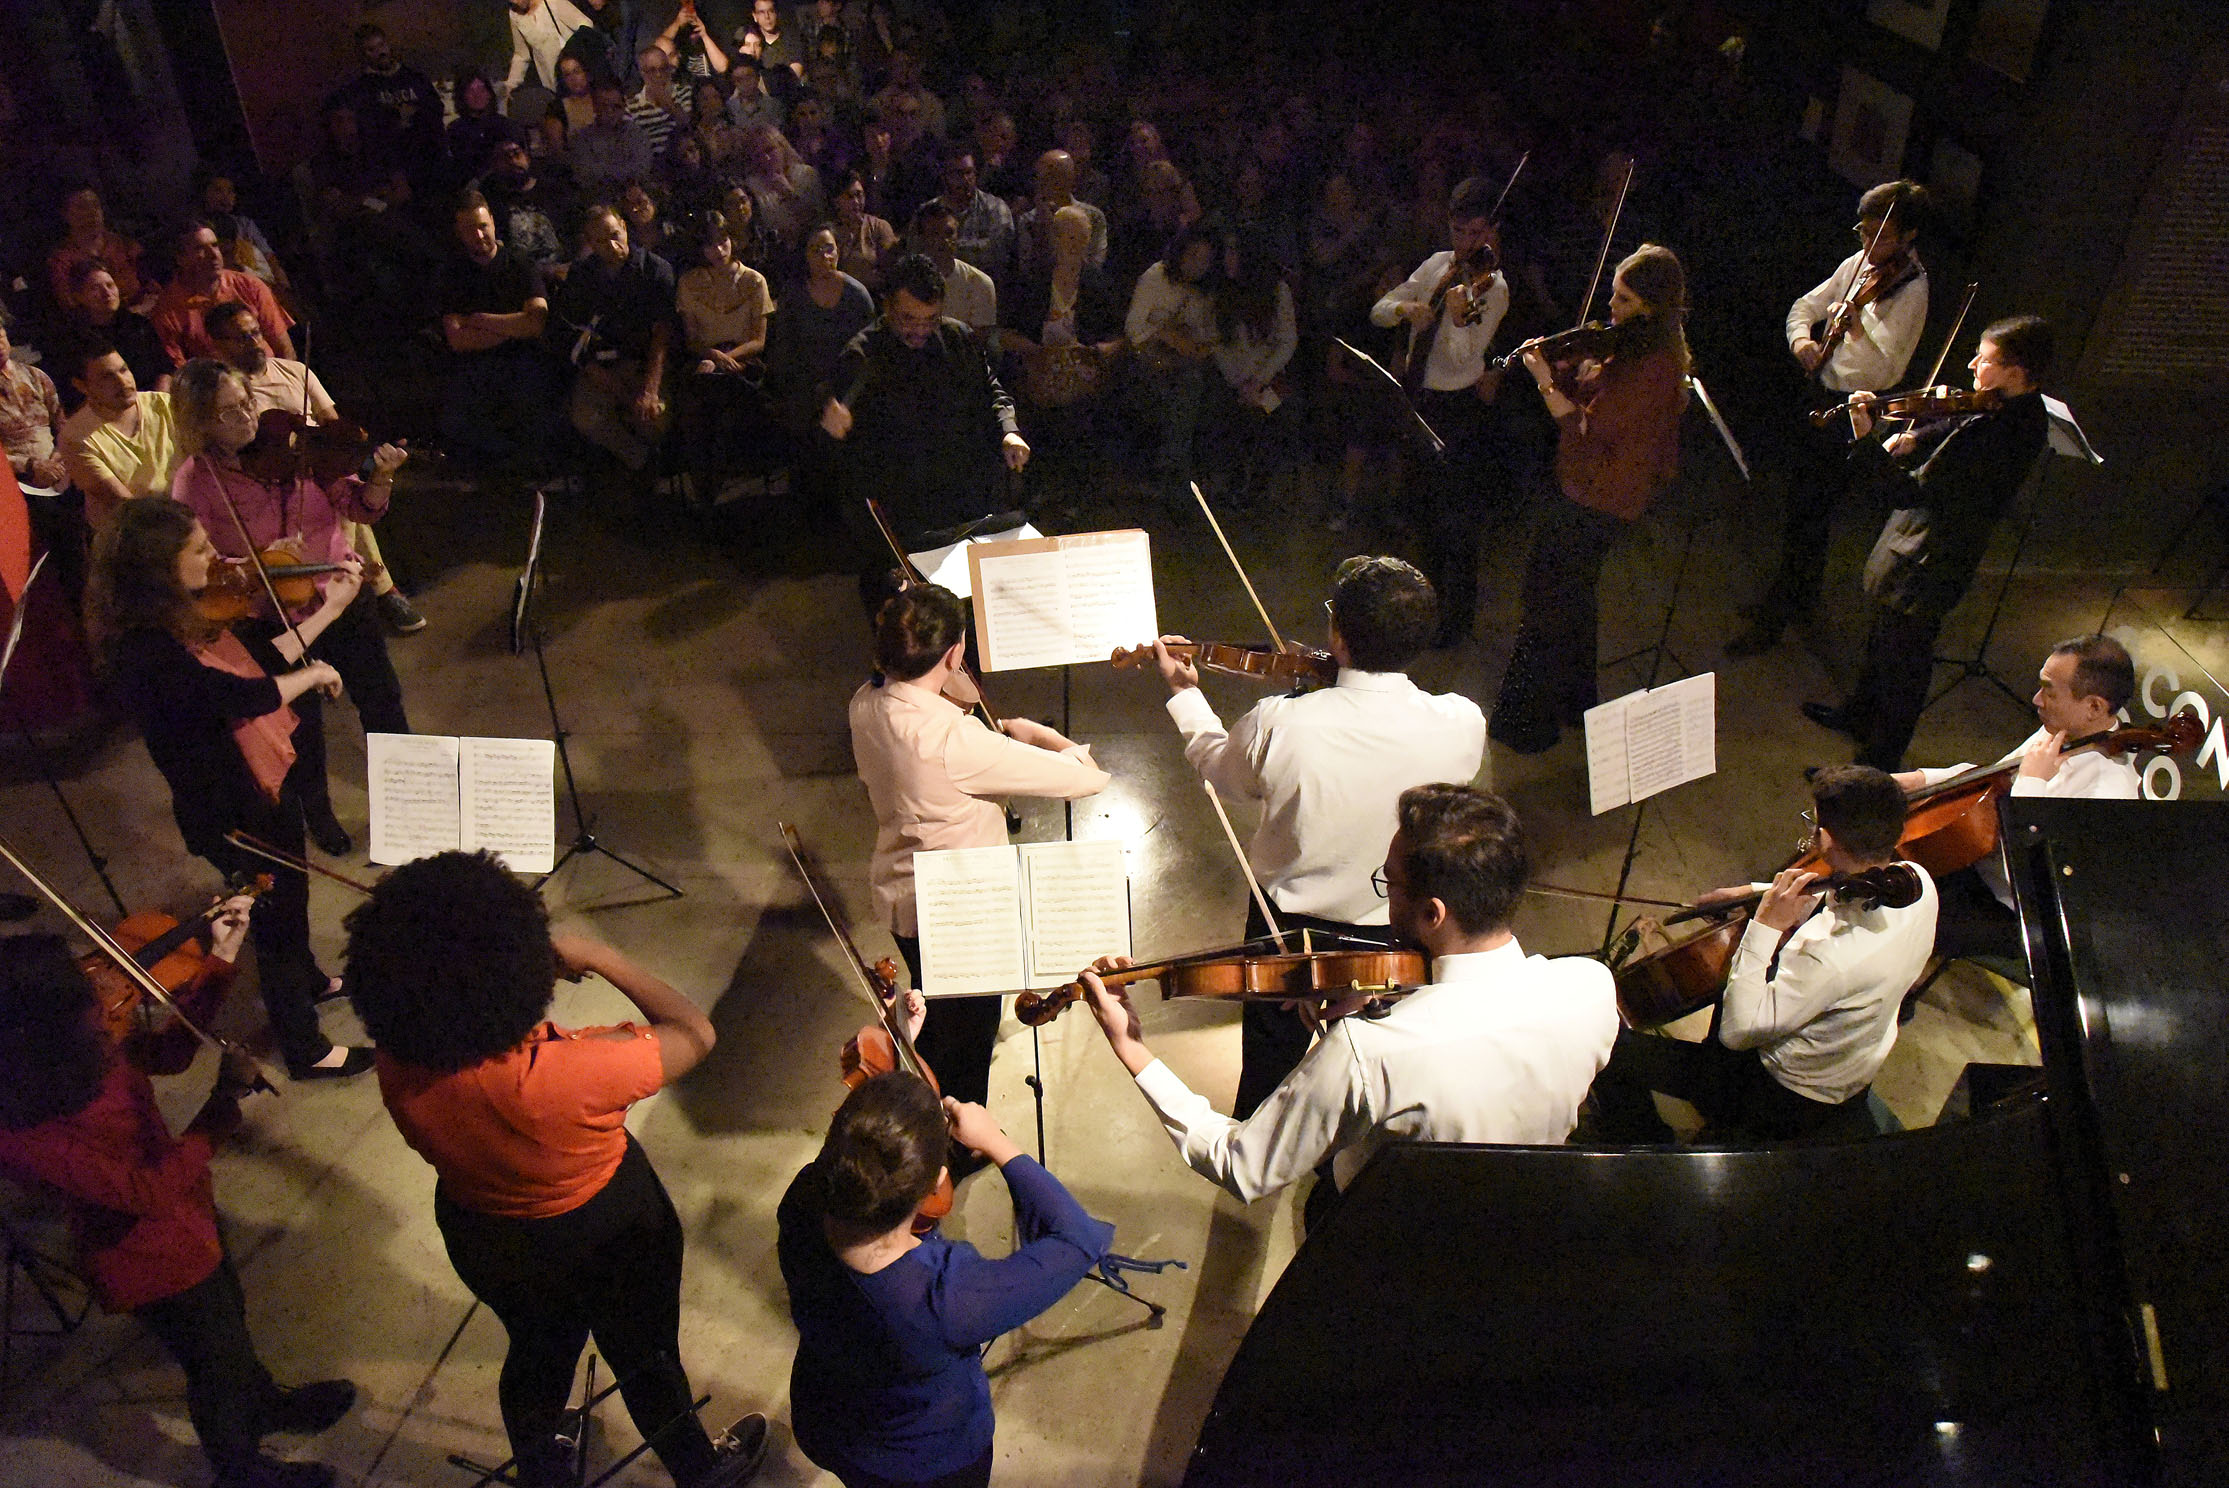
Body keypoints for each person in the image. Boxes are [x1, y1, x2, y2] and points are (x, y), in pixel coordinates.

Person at [344, 851, 767, 1488]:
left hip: (484, 1232)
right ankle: (698, 1470)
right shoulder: (575, 1071)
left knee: (537, 1350)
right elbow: (694, 1030)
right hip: (607, 1227)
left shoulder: (398, 1057)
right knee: (646, 1355)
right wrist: (600, 956)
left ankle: (545, 1471)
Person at [1080, 784, 1617, 1221]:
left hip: (1381, 1225)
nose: (1383, 893)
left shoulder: (1366, 1054)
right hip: (1529, 1209)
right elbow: (1485, 1035)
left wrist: (1132, 1048)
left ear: (1433, 914)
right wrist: (1399, 999)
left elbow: (1237, 1164)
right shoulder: (1593, 987)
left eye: (1391, 883)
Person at [0, 933, 360, 1488]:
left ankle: (264, 1404)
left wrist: (218, 961)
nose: (102, 996)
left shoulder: (86, 1047)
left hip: (187, 1218)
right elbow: (145, 1194)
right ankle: (238, 1470)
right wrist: (220, 1110)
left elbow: (170, 1053)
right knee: (212, 1364)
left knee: (230, 1326)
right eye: (82, 994)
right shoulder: (23, 1130)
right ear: (44, 1025)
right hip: (147, 1260)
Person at [1143, 557, 1486, 1115]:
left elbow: (1221, 772)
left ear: (1339, 637)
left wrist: (1185, 694)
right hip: (1400, 931)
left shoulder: (1279, 720)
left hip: (1290, 933)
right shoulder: (1463, 722)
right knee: (1378, 1060)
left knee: (1269, 1070)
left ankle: (1259, 1145)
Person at [84, 498, 371, 1079]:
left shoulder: (182, 616)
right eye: (198, 549)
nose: (217, 555)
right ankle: (305, 1048)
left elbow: (260, 663)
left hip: (258, 785)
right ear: (159, 568)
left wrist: (331, 610)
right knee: (279, 914)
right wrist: (314, 674)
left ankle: (311, 983)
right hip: (230, 806)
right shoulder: (145, 652)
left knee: (293, 893)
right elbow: (240, 696)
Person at [778, 1072, 1113, 1488]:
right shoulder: (946, 1296)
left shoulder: (802, 1197)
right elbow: (1079, 1239)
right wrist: (997, 1142)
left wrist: (890, 1104)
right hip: (922, 1465)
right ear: (938, 1182)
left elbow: (863, 1155)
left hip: (823, 1417)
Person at [850, 584, 1108, 1109]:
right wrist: (1040, 735)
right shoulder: (956, 741)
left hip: (903, 893)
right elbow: (1089, 779)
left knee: (935, 1013)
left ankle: (933, 1098)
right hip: (961, 913)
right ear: (953, 653)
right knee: (966, 1036)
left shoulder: (865, 702)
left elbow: (945, 704)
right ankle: (959, 1133)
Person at [1585, 765, 1939, 1143]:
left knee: (1598, 1043)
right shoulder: (1914, 881)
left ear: (1829, 840)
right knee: (1728, 979)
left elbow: (1738, 1033)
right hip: (1848, 1062)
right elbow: (1838, 889)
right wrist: (1755, 892)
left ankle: (1641, 1139)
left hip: (1781, 1093)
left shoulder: (1829, 957)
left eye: (1814, 825)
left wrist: (1765, 925)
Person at [168, 358, 411, 857]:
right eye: (229, 413)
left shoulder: (295, 445)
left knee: (382, 698)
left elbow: (357, 505)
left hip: (342, 593)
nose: (248, 417)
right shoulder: (197, 480)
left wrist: (379, 478)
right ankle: (318, 815)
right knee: (302, 726)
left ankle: (409, 796)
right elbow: (199, 560)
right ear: (200, 424)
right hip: (271, 617)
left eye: (247, 402)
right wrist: (262, 561)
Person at [1800, 315, 2054, 770]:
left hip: (1931, 558)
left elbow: (1909, 492)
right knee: (1882, 639)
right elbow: (1954, 424)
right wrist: (1914, 436)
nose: (1973, 364)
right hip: (1922, 544)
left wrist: (1868, 440)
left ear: (2017, 373)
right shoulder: (2000, 405)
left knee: (1905, 663)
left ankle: (1879, 761)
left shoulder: (2007, 433)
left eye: (1987, 360)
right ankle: (1859, 715)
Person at [1490, 244, 1692, 754]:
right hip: (1590, 486)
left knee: (1548, 600)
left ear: (1651, 307)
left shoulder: (1654, 366)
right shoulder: (1628, 348)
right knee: (1573, 599)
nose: (1612, 309)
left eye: (1624, 300)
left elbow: (1588, 429)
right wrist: (1573, 376)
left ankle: (1527, 723)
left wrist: (1543, 381)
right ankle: (1574, 702)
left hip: (1600, 496)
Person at [1729, 181, 1931, 658]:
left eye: (1880, 237)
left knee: (1814, 512)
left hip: (1856, 412)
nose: (1867, 245)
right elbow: (1804, 307)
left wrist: (1859, 325)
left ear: (1908, 237)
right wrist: (1802, 342)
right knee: (1801, 509)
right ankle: (1795, 598)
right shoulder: (1857, 265)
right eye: (1863, 231)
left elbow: (1892, 366)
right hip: (1821, 395)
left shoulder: (1913, 290)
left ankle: (1779, 614)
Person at [1896, 635, 2139, 964]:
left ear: (2094, 707)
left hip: (2013, 911)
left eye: (2049, 690)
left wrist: (2033, 782)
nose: (2037, 699)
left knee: (1897, 917)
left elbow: (2035, 880)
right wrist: (1921, 780)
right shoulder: (2063, 728)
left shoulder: (2110, 793)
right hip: (1978, 863)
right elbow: (1995, 778)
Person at [201, 303, 424, 636]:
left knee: (342, 490)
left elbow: (330, 420)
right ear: (218, 346)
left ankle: (364, 584)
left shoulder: (294, 370)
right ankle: (378, 585)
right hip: (266, 478)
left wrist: (341, 447)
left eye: (256, 333)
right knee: (336, 504)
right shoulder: (226, 395)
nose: (254, 343)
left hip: (313, 466)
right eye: (240, 338)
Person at [1369, 177, 1514, 647]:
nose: (1465, 244)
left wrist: (1454, 317)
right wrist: (1408, 308)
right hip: (1419, 399)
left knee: (1457, 522)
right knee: (1421, 514)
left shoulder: (1494, 288)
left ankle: (1455, 624)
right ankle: (1423, 612)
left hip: (1459, 409)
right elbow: (1379, 309)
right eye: (1457, 232)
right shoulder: (1436, 265)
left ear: (1491, 230)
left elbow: (1461, 358)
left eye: (1475, 233)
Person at [822, 253, 1027, 548]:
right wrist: (833, 428)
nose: (920, 330)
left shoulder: (958, 338)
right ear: (887, 305)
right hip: (901, 503)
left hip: (960, 489)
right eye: (908, 319)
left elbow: (989, 387)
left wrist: (1008, 429)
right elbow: (844, 448)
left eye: (931, 319)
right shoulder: (862, 356)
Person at [436, 190, 564, 469]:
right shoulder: (453, 274)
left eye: (483, 226)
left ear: (493, 222)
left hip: (523, 356)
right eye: (470, 229)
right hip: (475, 363)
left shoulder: (520, 263)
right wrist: (513, 324)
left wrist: (481, 319)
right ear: (459, 232)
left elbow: (535, 323)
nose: (479, 235)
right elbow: (458, 339)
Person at [549, 203, 677, 473]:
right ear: (591, 244)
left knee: (655, 420)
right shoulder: (583, 275)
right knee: (585, 416)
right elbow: (569, 329)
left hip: (643, 363)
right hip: (600, 365)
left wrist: (650, 389)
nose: (610, 244)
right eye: (599, 240)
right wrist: (595, 371)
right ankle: (639, 463)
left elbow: (662, 333)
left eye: (614, 234)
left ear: (624, 228)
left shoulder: (655, 270)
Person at [674, 209, 777, 501]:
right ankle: (703, 494)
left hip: (743, 363)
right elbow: (692, 340)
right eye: (710, 244)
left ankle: (719, 494)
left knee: (727, 415)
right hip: (705, 362)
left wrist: (728, 358)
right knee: (695, 412)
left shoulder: (754, 281)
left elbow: (759, 340)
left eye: (723, 241)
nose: (718, 250)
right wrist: (714, 356)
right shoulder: (690, 283)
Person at [1124, 219, 1220, 507]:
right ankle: (1173, 473)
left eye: (1205, 260)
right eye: (1193, 256)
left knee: (1192, 385)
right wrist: (1167, 335)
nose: (1197, 266)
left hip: (1183, 362)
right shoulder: (1156, 277)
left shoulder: (1204, 293)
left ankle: (1174, 470)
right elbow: (1134, 328)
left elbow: (1208, 335)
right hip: (1146, 357)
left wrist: (1189, 343)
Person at [58, 341, 182, 527]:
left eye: (124, 370)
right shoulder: (75, 437)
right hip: (135, 531)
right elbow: (125, 506)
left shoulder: (164, 404)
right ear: (82, 386)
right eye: (107, 377)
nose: (123, 382)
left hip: (187, 512)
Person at [150, 221, 297, 366]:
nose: (214, 254)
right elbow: (180, 371)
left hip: (270, 377)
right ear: (180, 258)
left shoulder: (250, 285)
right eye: (200, 249)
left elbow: (284, 349)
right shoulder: (167, 309)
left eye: (215, 245)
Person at [58, 261, 175, 399]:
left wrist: (158, 400)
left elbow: (164, 368)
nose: (107, 293)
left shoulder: (139, 325)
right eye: (95, 288)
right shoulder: (74, 339)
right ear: (79, 296)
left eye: (110, 285)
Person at [48, 184, 148, 311]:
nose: (91, 213)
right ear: (65, 215)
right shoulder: (62, 261)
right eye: (82, 207)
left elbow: (150, 282)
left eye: (95, 205)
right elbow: (70, 305)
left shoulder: (124, 244)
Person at [1013, 148, 1109, 278]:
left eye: (1051, 176)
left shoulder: (1094, 217)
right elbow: (1028, 270)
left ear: (1069, 178)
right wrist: (1044, 225)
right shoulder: (1028, 220)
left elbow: (1095, 266)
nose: (1042, 183)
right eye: (1039, 176)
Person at [0, 313, 66, 494]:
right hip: (14, 477)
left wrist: (58, 457)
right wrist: (30, 466)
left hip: (57, 466)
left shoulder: (35, 376)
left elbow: (62, 425)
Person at [908, 200, 996, 333]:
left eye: (949, 233)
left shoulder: (979, 283)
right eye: (934, 233)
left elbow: (977, 342)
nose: (942, 240)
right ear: (922, 237)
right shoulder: (906, 282)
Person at [933, 148, 1013, 287]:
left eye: (968, 172)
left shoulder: (995, 208)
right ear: (945, 176)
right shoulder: (929, 211)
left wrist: (946, 248)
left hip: (984, 288)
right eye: (957, 173)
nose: (964, 179)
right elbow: (919, 252)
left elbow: (998, 252)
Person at [830, 166, 900, 292]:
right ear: (836, 201)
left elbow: (891, 271)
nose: (856, 202)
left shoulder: (879, 227)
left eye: (859, 195)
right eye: (849, 197)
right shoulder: (829, 232)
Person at [505, 0, 595, 98]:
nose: (516, 2)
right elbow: (522, 55)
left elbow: (585, 25)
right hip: (552, 81)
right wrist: (511, 84)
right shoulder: (515, 15)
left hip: (574, 72)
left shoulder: (551, 2)